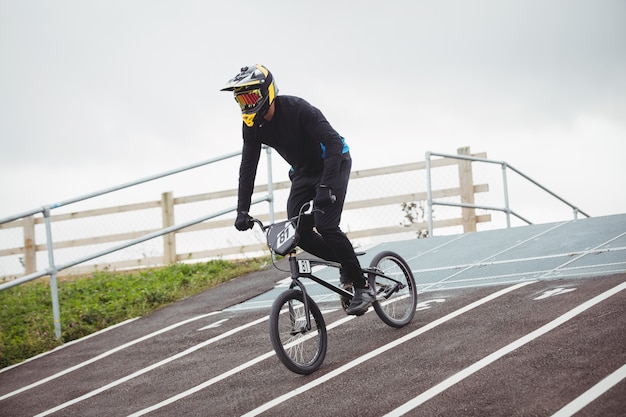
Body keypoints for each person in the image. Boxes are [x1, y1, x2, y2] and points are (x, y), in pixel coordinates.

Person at [221, 64, 374, 316]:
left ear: (266, 92)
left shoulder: (298, 109)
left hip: (332, 163)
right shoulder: (252, 126)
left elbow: (334, 143)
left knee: (326, 225)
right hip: (303, 172)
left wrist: (326, 187)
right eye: (241, 99)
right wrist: (242, 210)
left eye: (250, 97)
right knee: (297, 231)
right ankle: (344, 262)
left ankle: (362, 286)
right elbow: (248, 167)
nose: (246, 105)